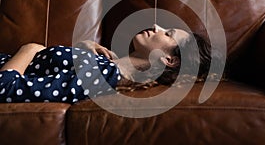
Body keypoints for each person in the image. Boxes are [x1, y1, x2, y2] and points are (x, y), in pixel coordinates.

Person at [0, 24, 211, 103]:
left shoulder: (103, 77)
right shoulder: (108, 66)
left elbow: (6, 87)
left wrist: (30, 48)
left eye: (168, 33)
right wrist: (80, 49)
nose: (156, 26)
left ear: (169, 60)